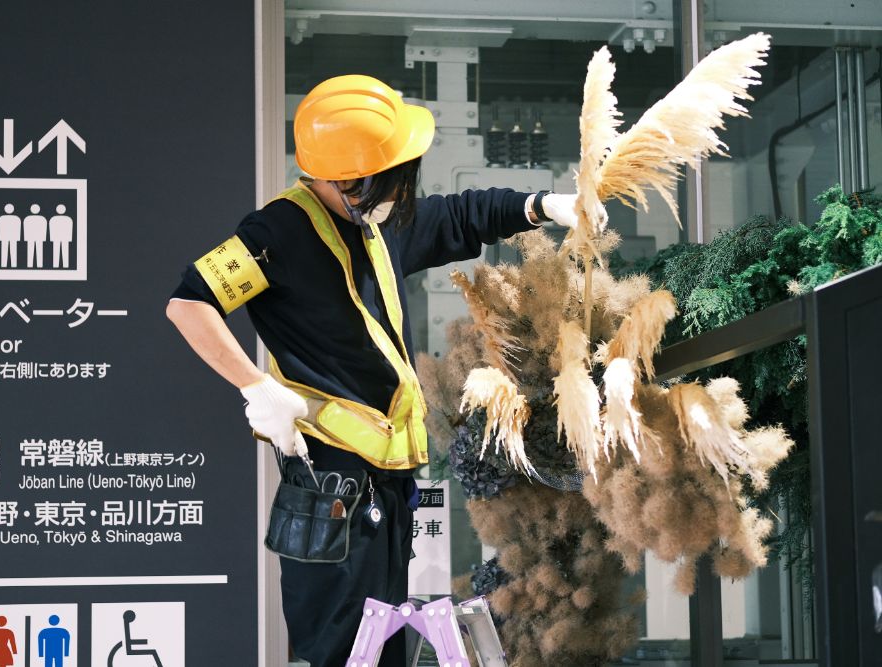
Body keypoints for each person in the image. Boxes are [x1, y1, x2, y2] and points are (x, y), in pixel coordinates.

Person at [166, 74, 596, 667]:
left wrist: (542, 206)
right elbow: (189, 304)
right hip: (333, 485)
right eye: (394, 170)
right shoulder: (277, 232)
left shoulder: (374, 224)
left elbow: (460, 217)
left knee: (385, 650)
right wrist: (255, 385)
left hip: (385, 483)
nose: (405, 184)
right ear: (355, 177)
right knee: (345, 649)